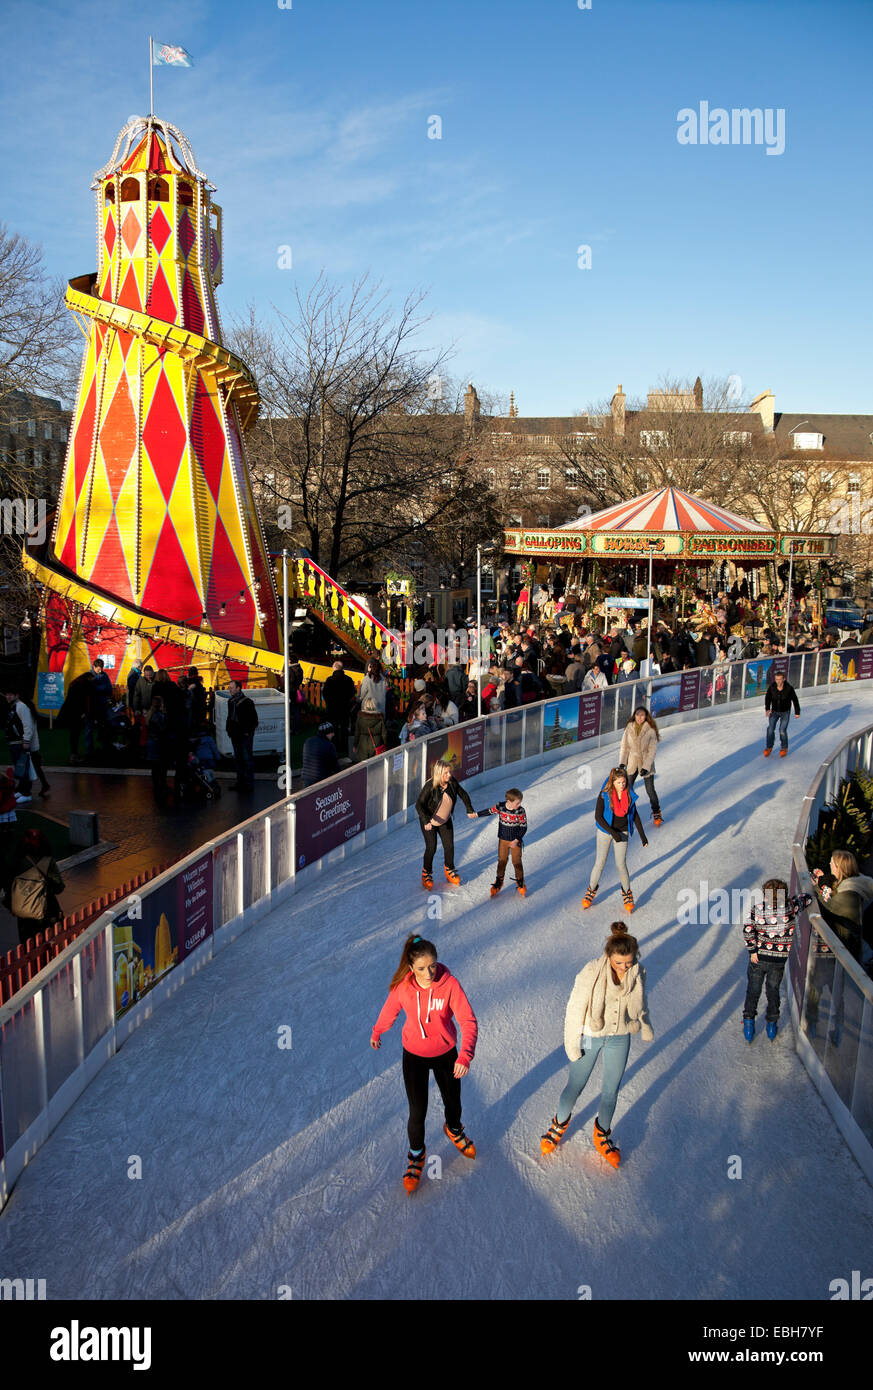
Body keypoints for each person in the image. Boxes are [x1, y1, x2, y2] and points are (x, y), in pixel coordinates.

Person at [370, 933, 478, 1193]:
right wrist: (377, 1031)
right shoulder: (403, 988)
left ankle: (453, 1129)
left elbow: (468, 1021)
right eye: (421, 968)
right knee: (417, 1112)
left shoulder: (449, 984)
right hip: (414, 1057)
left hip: (445, 1054)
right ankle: (416, 1157)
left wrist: (465, 1055)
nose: (429, 973)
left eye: (432, 965)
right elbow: (389, 1011)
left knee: (454, 1102)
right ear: (411, 969)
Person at [540, 922, 653, 1167]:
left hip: (621, 1036)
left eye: (629, 962)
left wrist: (644, 1024)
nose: (625, 967)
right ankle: (558, 1124)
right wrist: (572, 1042)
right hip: (592, 1034)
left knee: (611, 1090)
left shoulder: (638, 971)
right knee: (575, 1085)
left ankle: (602, 1133)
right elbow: (575, 1008)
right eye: (619, 963)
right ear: (609, 956)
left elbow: (641, 1003)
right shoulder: (591, 971)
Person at [742, 878, 812, 1041]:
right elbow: (807, 898)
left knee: (753, 990)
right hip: (778, 961)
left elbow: (747, 931)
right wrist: (791, 900)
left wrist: (752, 951)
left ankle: (748, 1022)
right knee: (773, 991)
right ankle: (772, 1024)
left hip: (758, 959)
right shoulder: (790, 908)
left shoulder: (758, 910)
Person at [582, 767, 648, 914]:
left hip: (622, 831)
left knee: (621, 865)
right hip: (605, 832)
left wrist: (643, 836)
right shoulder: (604, 794)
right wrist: (613, 833)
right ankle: (591, 890)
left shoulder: (629, 795)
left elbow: (635, 815)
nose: (622, 785)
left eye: (624, 782)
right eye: (619, 782)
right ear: (613, 782)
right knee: (600, 863)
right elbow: (598, 817)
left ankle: (627, 894)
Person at [415, 756, 475, 888]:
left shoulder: (452, 782)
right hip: (429, 821)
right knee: (431, 848)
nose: (450, 775)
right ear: (439, 773)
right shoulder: (430, 786)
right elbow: (419, 805)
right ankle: (426, 873)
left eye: (450, 772)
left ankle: (449, 869)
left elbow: (463, 794)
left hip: (445, 820)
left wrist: (469, 809)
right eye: (446, 773)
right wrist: (425, 820)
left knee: (450, 846)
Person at [3, 827, 65, 947]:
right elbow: (59, 888)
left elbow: (7, 885)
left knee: (28, 945)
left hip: (24, 912)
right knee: (49, 943)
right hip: (47, 910)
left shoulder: (16, 861)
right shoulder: (48, 861)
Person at [811, 850, 873, 964]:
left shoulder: (848, 894)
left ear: (838, 867)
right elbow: (829, 897)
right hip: (843, 943)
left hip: (846, 949)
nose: (829, 865)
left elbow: (827, 906)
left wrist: (816, 887)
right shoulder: (847, 883)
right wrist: (822, 881)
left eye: (831, 863)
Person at [476, 787, 527, 896]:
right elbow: (489, 811)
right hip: (503, 840)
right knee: (502, 861)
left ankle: (520, 881)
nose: (519, 805)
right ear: (509, 801)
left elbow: (523, 827)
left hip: (515, 841)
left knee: (516, 861)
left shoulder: (520, 811)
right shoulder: (501, 806)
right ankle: (499, 881)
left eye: (520, 803)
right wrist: (476, 814)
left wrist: (517, 839)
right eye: (517, 803)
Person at [619, 707, 662, 827]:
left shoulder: (650, 731)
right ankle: (626, 813)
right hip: (633, 761)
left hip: (645, 762)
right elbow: (625, 747)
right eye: (638, 715)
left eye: (642, 715)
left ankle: (656, 811)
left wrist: (646, 767)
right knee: (627, 789)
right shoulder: (629, 728)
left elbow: (652, 750)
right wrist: (623, 762)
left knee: (650, 790)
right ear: (634, 716)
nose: (639, 718)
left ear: (646, 716)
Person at [225, 679, 258, 791]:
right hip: (235, 735)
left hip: (244, 735)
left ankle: (248, 783)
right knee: (238, 759)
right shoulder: (231, 701)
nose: (229, 689)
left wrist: (247, 732)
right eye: (229, 687)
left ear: (238, 688)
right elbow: (230, 717)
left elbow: (254, 720)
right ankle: (240, 782)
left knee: (247, 758)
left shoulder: (247, 702)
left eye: (231, 687)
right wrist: (229, 730)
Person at [321, 661, 357, 755]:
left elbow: (325, 693)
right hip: (345, 707)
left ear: (334, 668)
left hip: (333, 707)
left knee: (334, 727)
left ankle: (335, 746)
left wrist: (329, 703)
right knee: (344, 727)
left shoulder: (330, 680)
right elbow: (352, 693)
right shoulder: (348, 679)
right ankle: (345, 746)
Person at [763, 668, 800, 757]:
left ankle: (784, 748)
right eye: (776, 679)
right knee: (770, 729)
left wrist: (797, 712)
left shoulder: (789, 688)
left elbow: (795, 700)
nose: (778, 681)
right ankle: (769, 747)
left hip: (785, 712)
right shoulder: (772, 687)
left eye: (780, 679)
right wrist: (767, 709)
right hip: (774, 712)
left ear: (784, 679)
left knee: (782, 731)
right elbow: (767, 698)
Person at [302, 721, 340, 787]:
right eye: (332, 732)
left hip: (306, 778)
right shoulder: (329, 745)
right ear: (327, 733)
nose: (333, 734)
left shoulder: (308, 741)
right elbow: (335, 765)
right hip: (320, 780)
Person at [353, 696, 388, 762]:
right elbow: (384, 734)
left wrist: (355, 745)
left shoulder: (360, 718)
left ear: (365, 705)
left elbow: (357, 733)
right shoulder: (380, 718)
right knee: (376, 767)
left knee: (363, 767)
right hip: (377, 745)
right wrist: (385, 745)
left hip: (363, 745)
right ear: (375, 705)